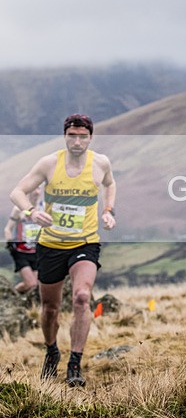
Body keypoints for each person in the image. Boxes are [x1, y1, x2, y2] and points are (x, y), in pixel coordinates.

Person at [10, 114, 117, 386]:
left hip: (85, 242)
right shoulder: (49, 163)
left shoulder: (100, 163)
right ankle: (51, 351)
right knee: (50, 308)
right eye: (72, 135)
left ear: (90, 137)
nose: (78, 141)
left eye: (83, 136)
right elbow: (18, 192)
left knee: (82, 297)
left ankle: (74, 363)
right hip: (51, 245)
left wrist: (107, 211)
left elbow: (110, 184)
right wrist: (31, 212)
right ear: (65, 136)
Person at [4, 185, 43, 294]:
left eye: (38, 188)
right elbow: (8, 229)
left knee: (38, 286)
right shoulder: (19, 209)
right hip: (21, 251)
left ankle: (23, 302)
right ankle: (9, 296)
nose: (36, 191)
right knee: (31, 283)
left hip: (36, 252)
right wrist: (10, 245)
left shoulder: (43, 208)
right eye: (34, 188)